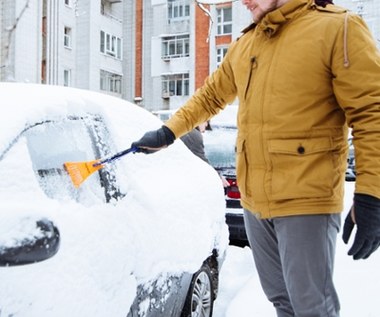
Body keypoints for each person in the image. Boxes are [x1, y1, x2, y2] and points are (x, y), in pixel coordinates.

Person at [131, 0, 380, 316]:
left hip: (306, 198)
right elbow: (211, 96)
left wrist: (371, 193)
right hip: (254, 201)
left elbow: (371, 113)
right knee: (282, 300)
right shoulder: (249, 41)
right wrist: (169, 132)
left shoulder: (337, 28)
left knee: (312, 307)